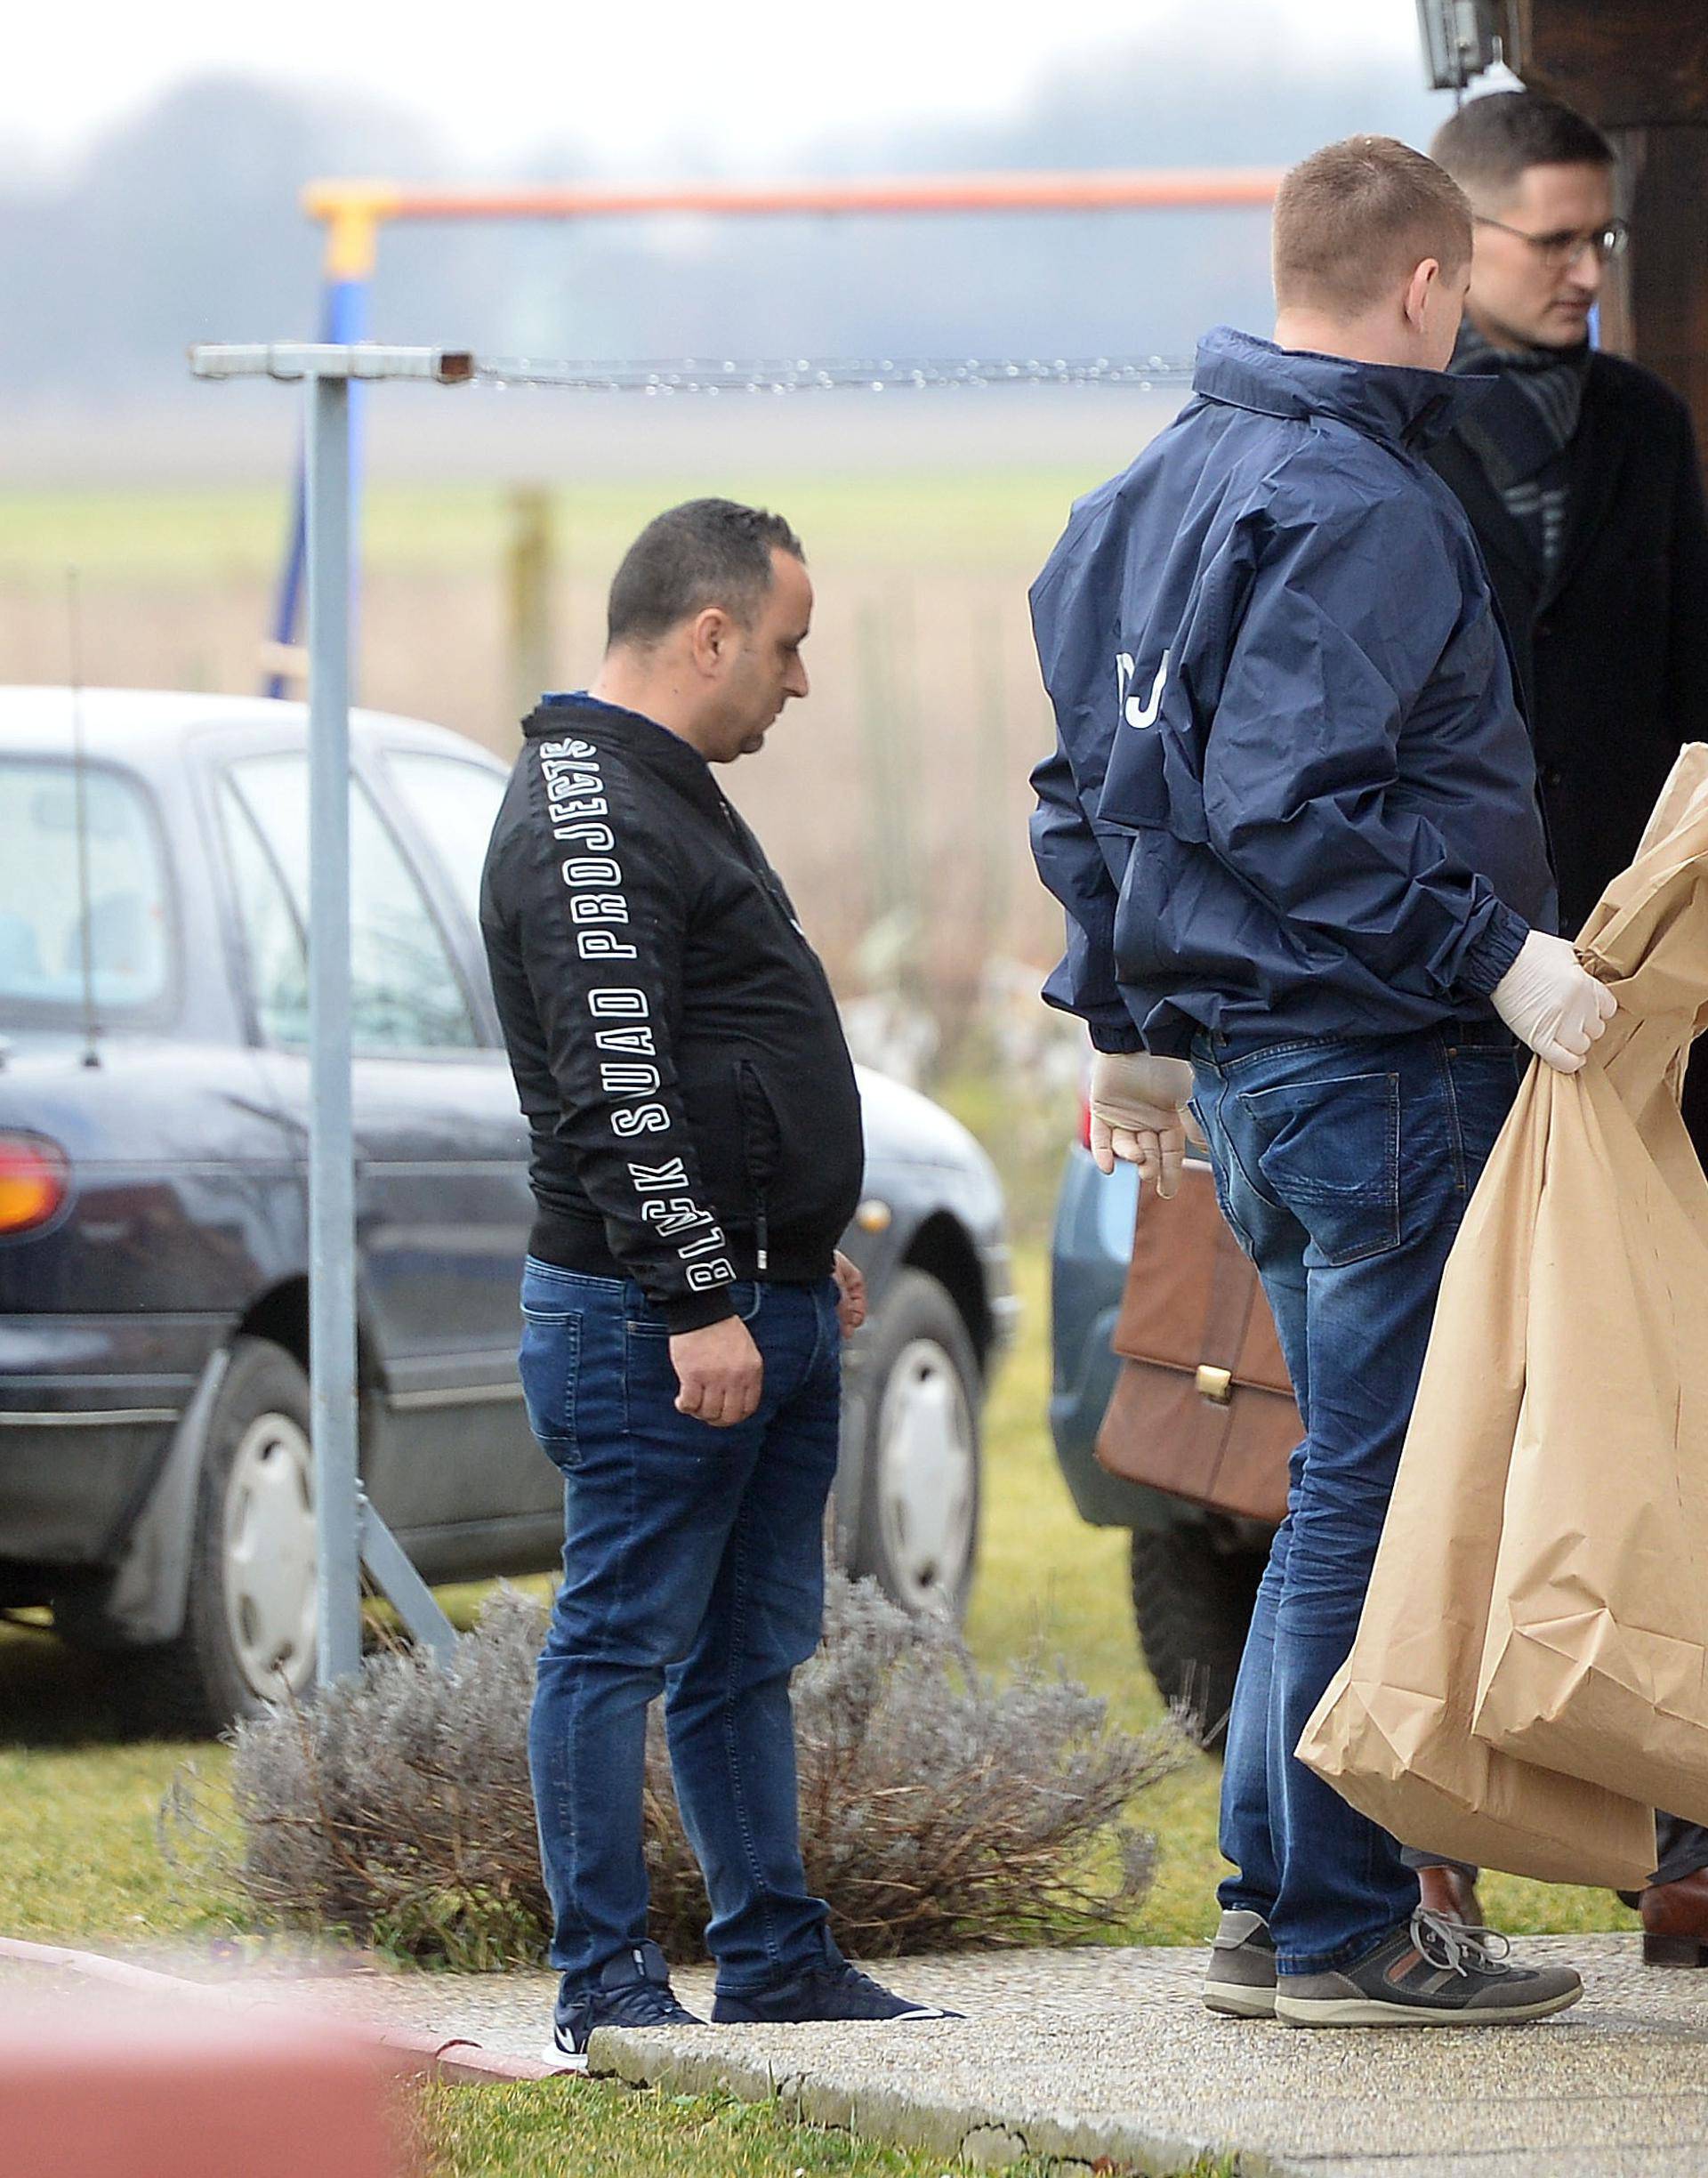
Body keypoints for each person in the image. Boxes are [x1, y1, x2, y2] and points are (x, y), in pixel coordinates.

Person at [1029, 137, 1609, 2027]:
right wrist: (1503, 956)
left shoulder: (1142, 493)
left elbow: (1086, 789)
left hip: (1257, 1080)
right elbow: (1297, 799)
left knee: (1326, 1487)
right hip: (1376, 1063)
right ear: (1428, 287)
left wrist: (1122, 1011)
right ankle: (1344, 1928)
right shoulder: (1361, 497)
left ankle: (1271, 1912)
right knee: (1368, 1491)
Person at [480, 498, 947, 2067]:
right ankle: (606, 1987)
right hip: (657, 1324)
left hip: (765, 1296)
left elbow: (715, 1047)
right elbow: (618, 1082)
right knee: (616, 1639)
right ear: (709, 635)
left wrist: (789, 1238)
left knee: (750, 1648)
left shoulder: (664, 793)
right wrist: (698, 1299)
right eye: (790, 646)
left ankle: (775, 1958)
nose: (800, 684)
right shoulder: (589, 812)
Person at [1409, 88, 1708, 1958]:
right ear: (1454, 248)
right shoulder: (1384, 438)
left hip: (1639, 1001)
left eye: (1604, 240)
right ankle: (1421, 1840)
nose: (1594, 273)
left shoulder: (1651, 435)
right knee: (1443, 1419)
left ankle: (1680, 1836)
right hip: (1441, 993)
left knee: (1663, 1401)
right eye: (1557, 243)